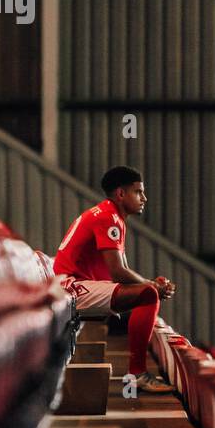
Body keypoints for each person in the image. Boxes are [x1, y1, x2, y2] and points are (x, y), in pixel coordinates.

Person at [53, 165, 175, 394]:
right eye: (138, 192)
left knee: (147, 292)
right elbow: (118, 272)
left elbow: (123, 272)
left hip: (74, 284)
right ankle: (137, 374)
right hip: (70, 287)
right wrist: (151, 286)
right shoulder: (108, 217)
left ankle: (138, 373)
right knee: (148, 295)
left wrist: (150, 283)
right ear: (121, 194)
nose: (144, 198)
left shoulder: (110, 214)